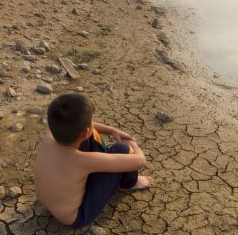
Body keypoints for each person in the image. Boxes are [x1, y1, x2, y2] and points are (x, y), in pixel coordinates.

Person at [34, 93, 153, 227]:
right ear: (85, 131)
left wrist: (111, 130)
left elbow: (86, 127)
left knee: (84, 135)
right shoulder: (83, 161)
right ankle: (129, 183)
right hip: (76, 217)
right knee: (122, 149)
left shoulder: (50, 136)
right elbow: (140, 161)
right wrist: (131, 143)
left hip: (48, 203)